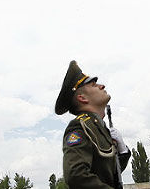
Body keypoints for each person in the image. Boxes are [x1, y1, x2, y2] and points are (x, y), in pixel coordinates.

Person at [55, 61, 131, 189]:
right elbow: (76, 175)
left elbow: (109, 175)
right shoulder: (80, 127)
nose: (102, 86)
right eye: (94, 85)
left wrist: (123, 152)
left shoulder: (99, 129)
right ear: (82, 98)